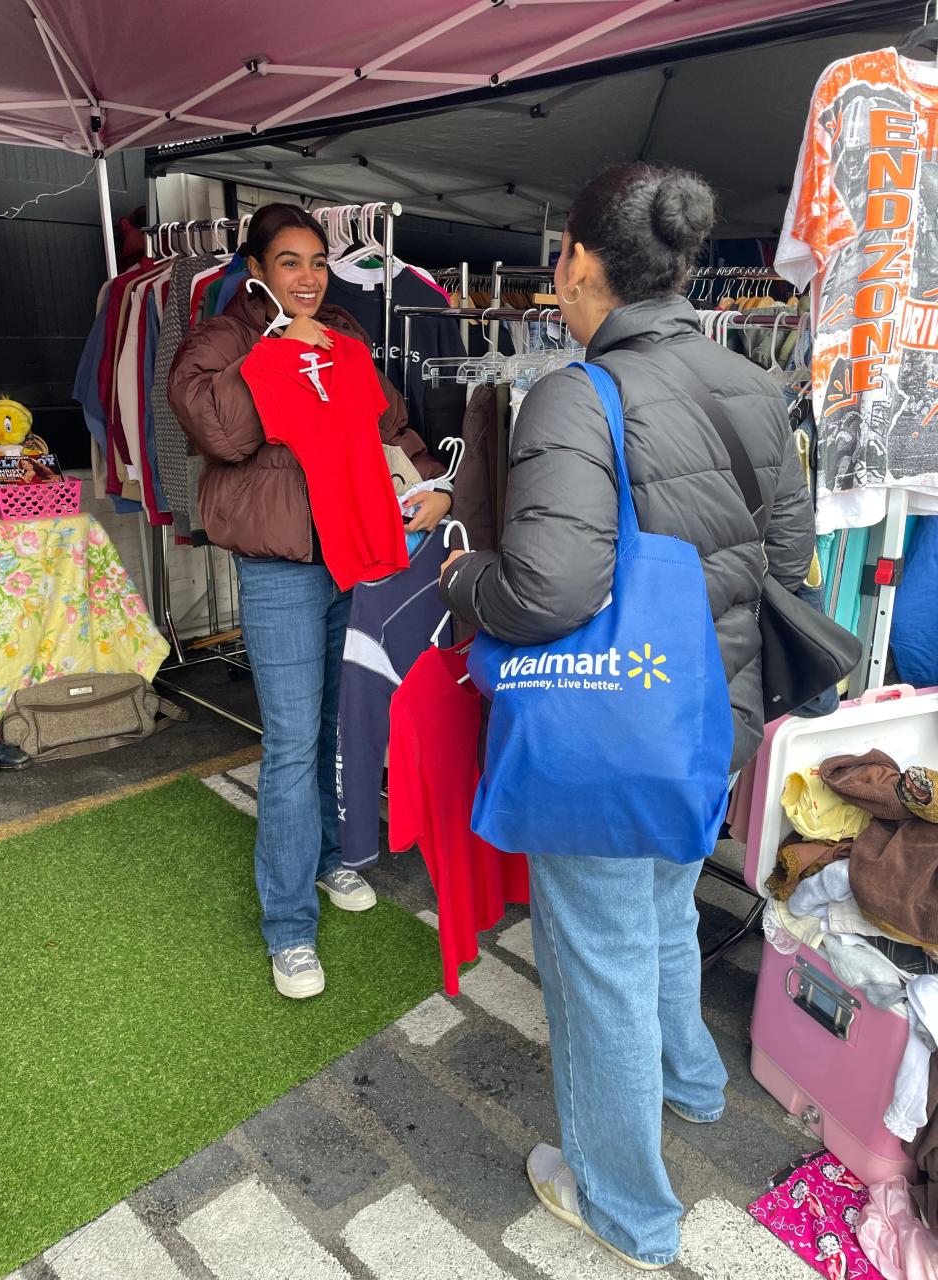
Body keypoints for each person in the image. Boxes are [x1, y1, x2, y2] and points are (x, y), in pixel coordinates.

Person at [440, 164, 815, 1269]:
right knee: (659, 905)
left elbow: (546, 590)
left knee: (600, 951)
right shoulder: (747, 378)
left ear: (579, 264)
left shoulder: (573, 392)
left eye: (560, 260)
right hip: (715, 721)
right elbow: (785, 558)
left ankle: (626, 1204)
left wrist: (464, 578)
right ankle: (692, 1083)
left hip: (612, 730)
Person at [169, 203, 451, 999]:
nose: (307, 277)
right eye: (289, 261)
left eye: (318, 262)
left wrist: (434, 482)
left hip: (351, 554)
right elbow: (220, 435)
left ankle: (328, 858)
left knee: (330, 720)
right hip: (282, 566)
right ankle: (288, 926)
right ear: (255, 268)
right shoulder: (224, 338)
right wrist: (273, 351)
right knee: (292, 740)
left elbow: (390, 424)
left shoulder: (345, 334)